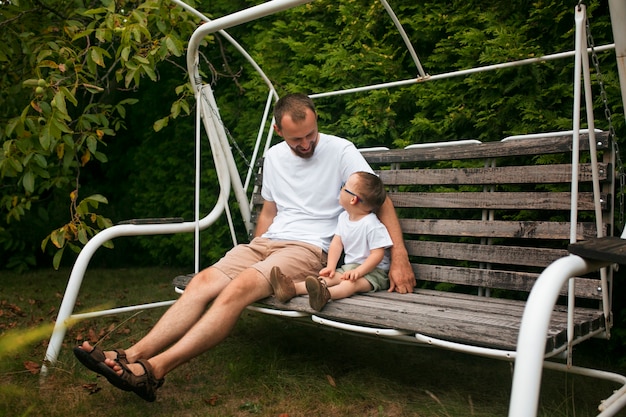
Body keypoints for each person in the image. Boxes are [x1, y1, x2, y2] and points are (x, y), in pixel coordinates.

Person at [73, 93, 416, 402]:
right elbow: (269, 208)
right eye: (297, 138)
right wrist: (257, 244)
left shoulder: (341, 150)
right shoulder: (274, 156)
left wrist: (398, 256)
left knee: (237, 289)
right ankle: (130, 355)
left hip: (310, 248)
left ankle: (153, 371)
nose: (307, 144)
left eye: (311, 134)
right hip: (268, 243)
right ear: (278, 130)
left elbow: (379, 201)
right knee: (202, 283)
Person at [270, 171, 393, 311]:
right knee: (327, 279)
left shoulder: (371, 225)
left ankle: (325, 295)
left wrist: (359, 272)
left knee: (351, 284)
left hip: (374, 272)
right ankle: (292, 289)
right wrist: (331, 266)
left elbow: (377, 255)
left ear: (353, 199)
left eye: (344, 186)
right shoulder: (343, 218)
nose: (340, 189)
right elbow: (337, 243)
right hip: (351, 268)